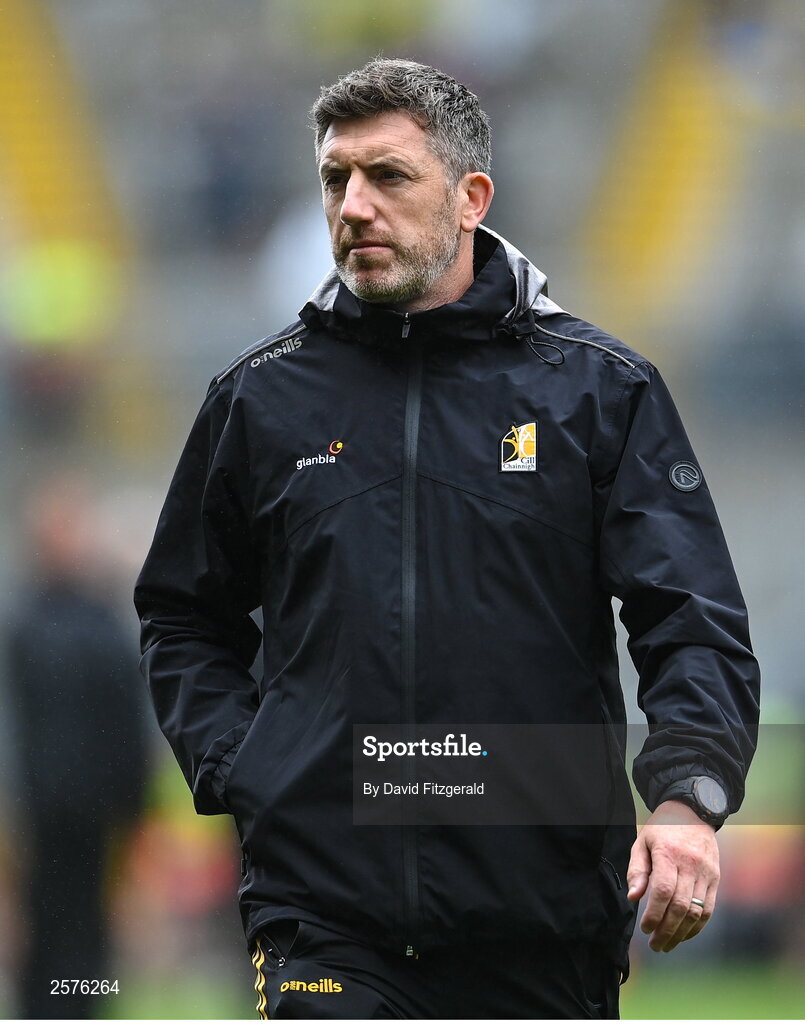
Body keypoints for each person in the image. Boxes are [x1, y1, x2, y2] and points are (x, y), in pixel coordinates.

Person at [134, 58, 760, 1019]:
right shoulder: (258, 399)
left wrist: (686, 800)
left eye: (387, 177)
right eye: (335, 178)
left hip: (541, 916)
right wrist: (242, 764)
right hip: (322, 913)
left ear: (470, 198)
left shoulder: (600, 390)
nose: (352, 206)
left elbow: (690, 618)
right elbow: (182, 615)